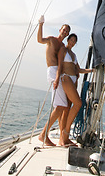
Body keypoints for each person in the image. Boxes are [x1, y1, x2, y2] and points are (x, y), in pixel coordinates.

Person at [37, 15, 70, 146]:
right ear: (60, 30)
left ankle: (45, 134)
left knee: (61, 105)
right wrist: (41, 24)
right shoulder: (51, 40)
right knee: (61, 106)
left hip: (60, 73)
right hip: (53, 71)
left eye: (67, 31)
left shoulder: (63, 46)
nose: (65, 32)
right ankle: (43, 134)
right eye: (64, 29)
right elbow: (40, 40)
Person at [57, 33, 94, 146]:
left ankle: (63, 139)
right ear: (68, 40)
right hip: (66, 78)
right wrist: (56, 79)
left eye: (74, 41)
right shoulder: (63, 50)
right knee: (78, 103)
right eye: (71, 40)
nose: (72, 42)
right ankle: (65, 133)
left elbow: (78, 70)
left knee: (67, 109)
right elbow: (59, 65)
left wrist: (91, 70)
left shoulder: (73, 55)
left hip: (73, 81)